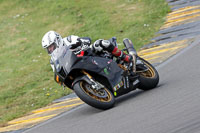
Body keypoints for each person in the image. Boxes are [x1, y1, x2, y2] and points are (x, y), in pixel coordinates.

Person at [41, 30, 136, 72]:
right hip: (79, 67)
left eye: (51, 46)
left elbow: (86, 40)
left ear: (57, 40)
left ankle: (126, 57)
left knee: (101, 43)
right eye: (48, 48)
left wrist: (82, 47)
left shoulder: (68, 40)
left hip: (90, 54)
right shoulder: (53, 61)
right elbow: (58, 72)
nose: (50, 49)